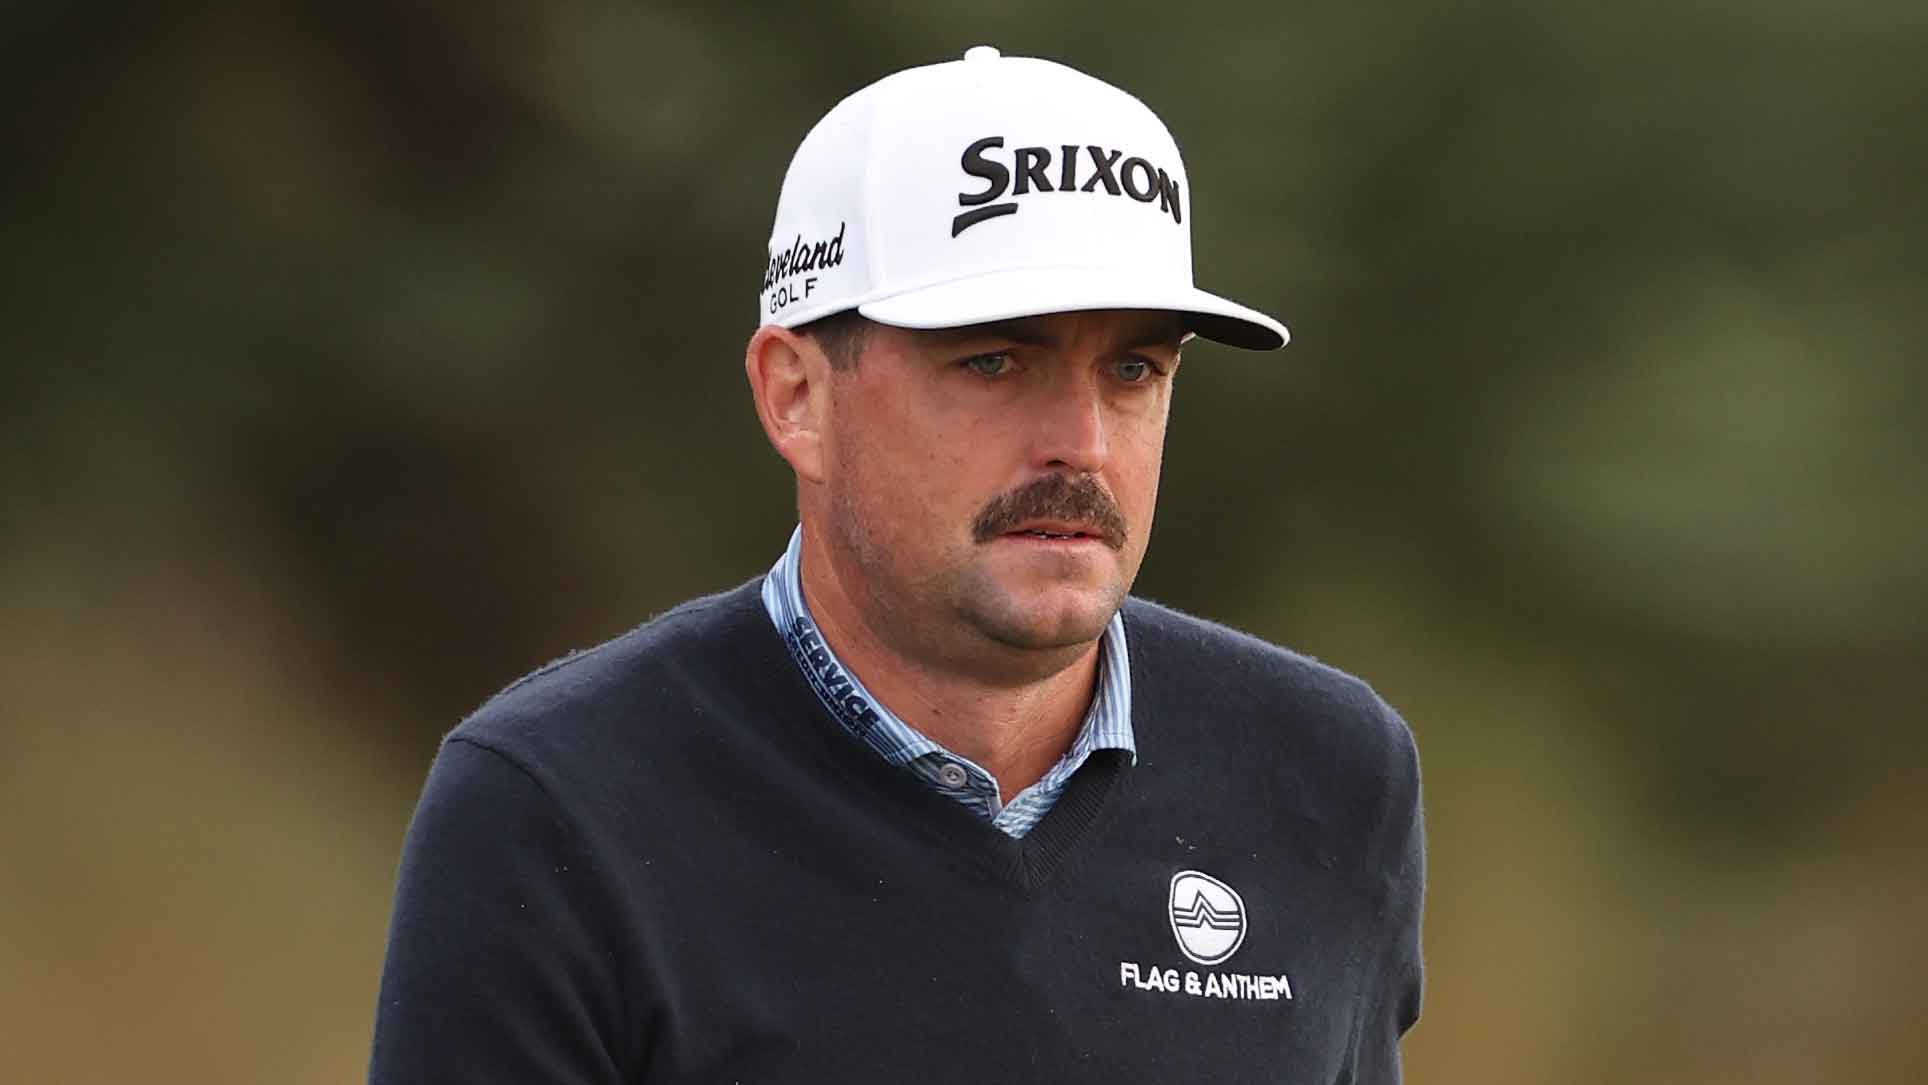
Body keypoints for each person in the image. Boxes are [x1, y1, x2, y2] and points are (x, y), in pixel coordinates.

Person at [369, 46, 1423, 1083]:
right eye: (992, 361)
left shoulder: (1327, 775)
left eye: (1133, 367)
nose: (1082, 440)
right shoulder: (557, 805)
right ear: (796, 395)